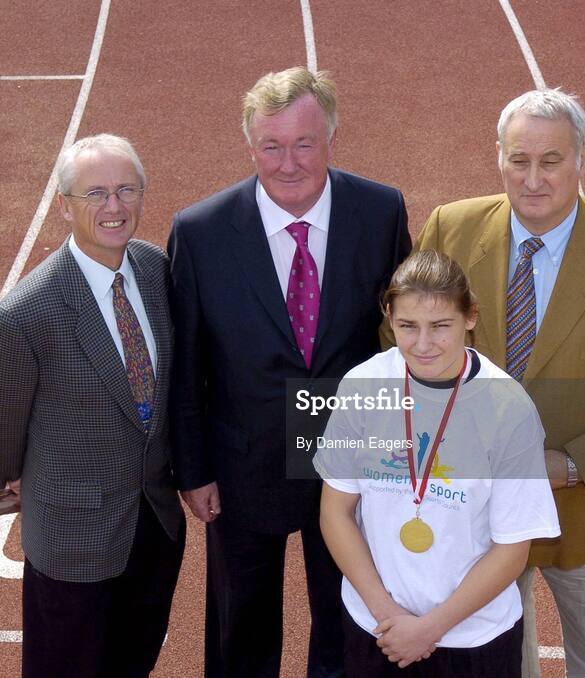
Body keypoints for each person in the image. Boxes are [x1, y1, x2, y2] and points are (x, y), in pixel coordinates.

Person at [410, 89, 585, 677]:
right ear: (498, 158)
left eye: (551, 161)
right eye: (519, 160)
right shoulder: (450, 229)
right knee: (494, 663)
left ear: (581, 158)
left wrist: (573, 465)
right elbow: (403, 346)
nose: (534, 179)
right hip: (475, 512)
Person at [168, 66, 411, 677]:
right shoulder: (199, 232)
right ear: (250, 144)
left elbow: (404, 333)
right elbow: (187, 363)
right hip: (243, 463)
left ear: (331, 137)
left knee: (347, 619)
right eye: (271, 146)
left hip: (351, 459)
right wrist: (193, 469)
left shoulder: (380, 212)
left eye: (304, 144)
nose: (288, 163)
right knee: (240, 628)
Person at [0, 134, 185, 678]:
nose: (113, 207)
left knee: (133, 661)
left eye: (125, 190)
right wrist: (12, 474)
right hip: (73, 535)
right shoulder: (26, 313)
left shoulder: (157, 270)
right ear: (64, 205)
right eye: (95, 194)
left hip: (152, 523)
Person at [315, 250, 560, 677]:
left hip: (474, 640)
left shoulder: (508, 410)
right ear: (389, 316)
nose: (423, 344)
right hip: (377, 630)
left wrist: (429, 629)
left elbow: (512, 550)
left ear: (470, 317)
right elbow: (335, 513)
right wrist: (387, 614)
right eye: (408, 326)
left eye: (440, 326)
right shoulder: (362, 385)